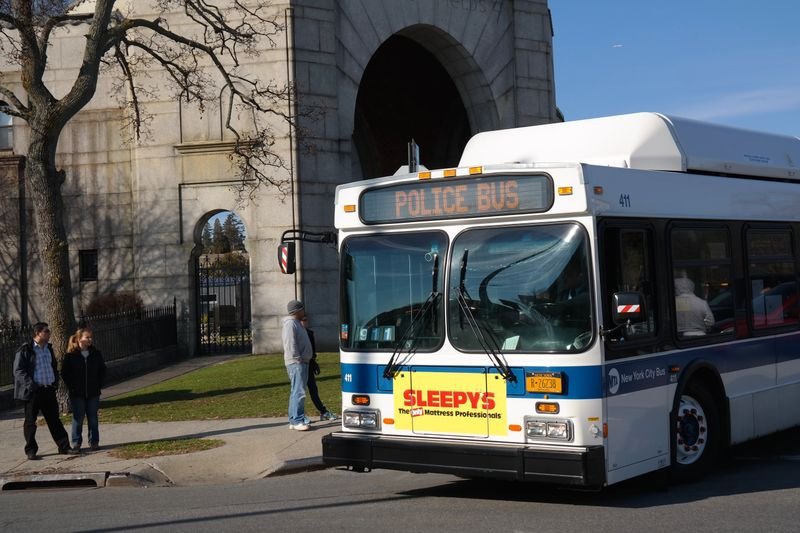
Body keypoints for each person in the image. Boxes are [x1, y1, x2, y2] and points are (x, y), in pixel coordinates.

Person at [13, 322, 73, 460]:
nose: (49, 333)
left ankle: (64, 447)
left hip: (48, 389)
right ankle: (31, 450)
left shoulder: (48, 349)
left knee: (54, 420)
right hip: (33, 391)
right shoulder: (25, 350)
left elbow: (53, 366)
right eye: (46, 331)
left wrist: (54, 381)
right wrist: (31, 385)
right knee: (30, 421)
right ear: (37, 333)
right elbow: (18, 371)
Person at [61, 327, 107, 452]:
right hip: (77, 393)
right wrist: (72, 386)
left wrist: (98, 384)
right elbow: (65, 373)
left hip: (93, 392)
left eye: (91, 337)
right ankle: (76, 442)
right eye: (87, 337)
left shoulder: (95, 354)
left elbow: (102, 370)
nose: (90, 339)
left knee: (93, 418)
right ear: (79, 338)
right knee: (78, 418)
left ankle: (94, 441)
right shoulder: (71, 356)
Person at [301, 316, 338, 422]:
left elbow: (312, 351)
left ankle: (323, 411)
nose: (305, 322)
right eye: (303, 320)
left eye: (306, 320)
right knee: (300, 392)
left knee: (313, 389)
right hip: (300, 364)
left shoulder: (309, 333)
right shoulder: (298, 333)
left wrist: (314, 362)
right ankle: (299, 415)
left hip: (309, 364)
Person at [283, 300, 313, 431]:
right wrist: (298, 359)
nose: (304, 312)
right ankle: (297, 420)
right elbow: (290, 344)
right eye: (302, 309)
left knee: (296, 391)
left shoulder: (297, 323)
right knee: (299, 392)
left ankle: (293, 419)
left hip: (301, 362)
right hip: (296, 363)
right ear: (297, 311)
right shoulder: (290, 324)